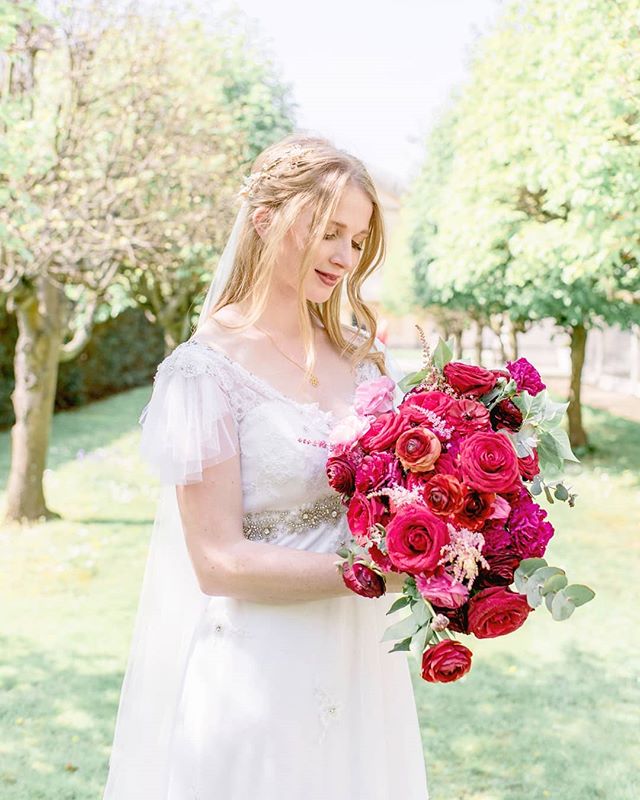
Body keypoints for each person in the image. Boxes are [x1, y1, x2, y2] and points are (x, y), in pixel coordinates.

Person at [102, 134, 430, 799]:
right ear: (264, 220)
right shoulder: (206, 370)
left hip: (360, 657)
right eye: (329, 230)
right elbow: (217, 560)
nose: (344, 256)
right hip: (261, 664)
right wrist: (370, 573)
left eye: (359, 240)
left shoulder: (361, 358)